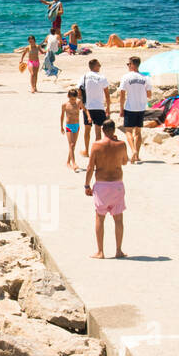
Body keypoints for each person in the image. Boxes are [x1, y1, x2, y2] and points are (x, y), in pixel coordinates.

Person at [84, 119, 128, 259]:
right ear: (114, 130)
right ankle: (119, 250)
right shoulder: (121, 145)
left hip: (102, 185)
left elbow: (90, 167)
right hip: (117, 185)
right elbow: (125, 162)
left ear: (102, 130)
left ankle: (100, 251)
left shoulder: (96, 146)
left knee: (100, 218)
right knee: (118, 219)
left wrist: (87, 185)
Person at [118, 56, 149, 163]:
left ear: (132, 64)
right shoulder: (145, 78)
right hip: (140, 107)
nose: (128, 66)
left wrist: (121, 108)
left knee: (128, 131)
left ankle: (133, 151)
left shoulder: (126, 77)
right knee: (138, 132)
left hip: (130, 107)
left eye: (128, 64)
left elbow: (122, 94)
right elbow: (149, 94)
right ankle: (137, 155)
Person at [78, 58, 110, 157]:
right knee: (98, 131)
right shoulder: (102, 78)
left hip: (87, 107)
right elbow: (107, 94)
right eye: (99, 65)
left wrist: (80, 104)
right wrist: (108, 107)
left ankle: (87, 151)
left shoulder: (83, 77)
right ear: (95, 66)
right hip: (99, 107)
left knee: (87, 130)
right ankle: (97, 152)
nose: (100, 66)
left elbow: (79, 92)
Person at [61, 89, 83, 171]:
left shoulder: (78, 102)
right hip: (69, 126)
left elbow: (84, 109)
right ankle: (74, 163)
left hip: (77, 125)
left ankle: (67, 162)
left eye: (74, 99)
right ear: (68, 97)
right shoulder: (65, 105)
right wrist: (61, 127)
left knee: (73, 146)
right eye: (71, 99)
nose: (73, 101)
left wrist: (88, 116)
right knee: (71, 145)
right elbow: (62, 116)